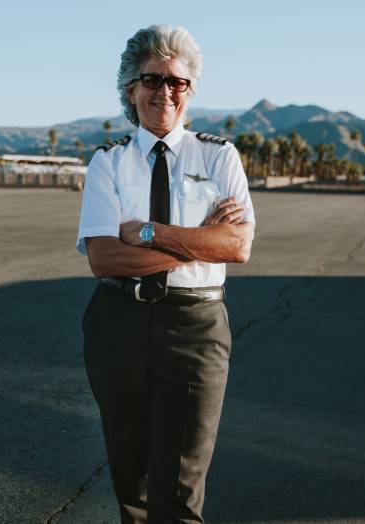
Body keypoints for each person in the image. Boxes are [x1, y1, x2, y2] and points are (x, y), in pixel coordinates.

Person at [76, 24, 255, 523]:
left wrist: (149, 233)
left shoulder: (218, 156)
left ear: (190, 90)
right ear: (130, 90)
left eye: (178, 82)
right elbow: (105, 259)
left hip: (196, 330)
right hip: (118, 325)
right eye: (153, 80)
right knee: (130, 479)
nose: (166, 92)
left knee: (180, 486)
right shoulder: (107, 162)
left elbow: (237, 245)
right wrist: (199, 243)